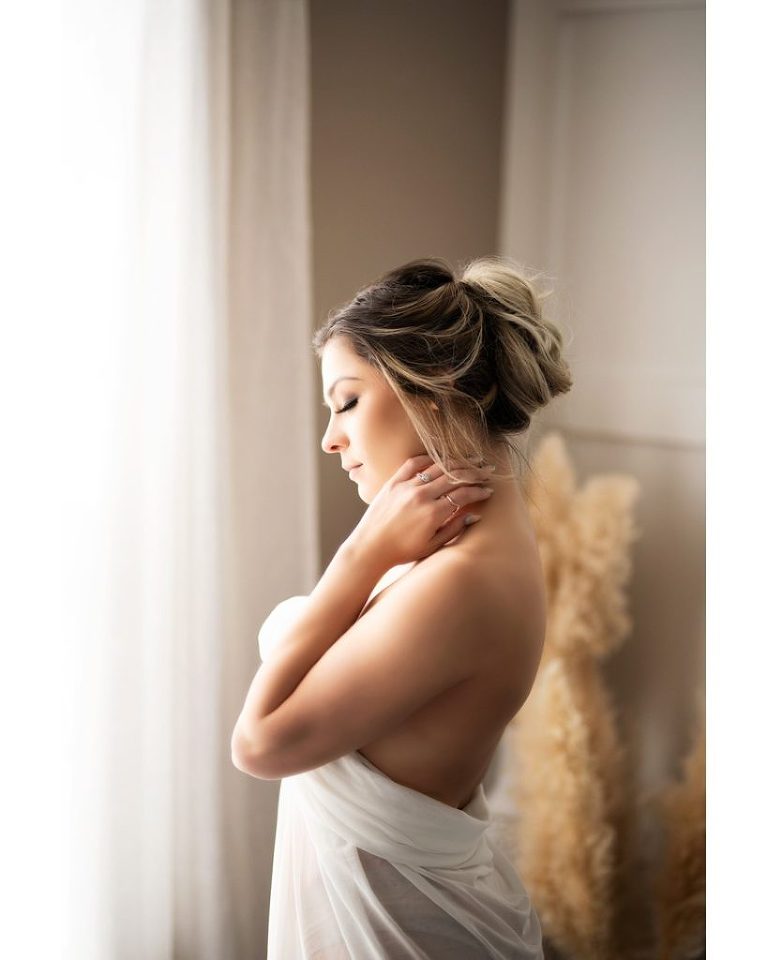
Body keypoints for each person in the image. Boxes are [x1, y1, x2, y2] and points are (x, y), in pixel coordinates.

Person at [232, 256, 573, 958]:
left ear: (434, 390)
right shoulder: (454, 557)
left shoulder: (461, 582)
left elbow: (259, 744)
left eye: (347, 400)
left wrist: (360, 555)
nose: (331, 438)